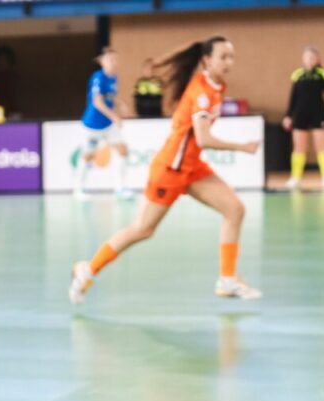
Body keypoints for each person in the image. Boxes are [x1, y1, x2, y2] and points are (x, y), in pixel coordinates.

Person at [69, 36, 263, 304]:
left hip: (192, 167)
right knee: (142, 230)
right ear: (207, 60)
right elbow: (204, 139)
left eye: (231, 56)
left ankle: (227, 280)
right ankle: (87, 270)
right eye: (223, 57)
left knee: (235, 209)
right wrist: (243, 147)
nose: (229, 62)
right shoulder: (203, 94)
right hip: (170, 170)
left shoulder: (215, 86)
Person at [74, 47, 131, 200]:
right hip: (92, 125)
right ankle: (79, 189)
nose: (114, 63)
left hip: (108, 125)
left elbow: (110, 97)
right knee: (88, 155)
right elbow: (98, 102)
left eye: (115, 59)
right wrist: (115, 116)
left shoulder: (114, 78)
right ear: (102, 62)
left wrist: (121, 104)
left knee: (122, 150)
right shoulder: (97, 78)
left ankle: (120, 188)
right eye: (110, 59)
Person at [284, 46, 324, 190]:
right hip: (300, 114)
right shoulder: (297, 75)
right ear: (303, 59)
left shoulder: (323, 74)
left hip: (318, 113)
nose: (310, 60)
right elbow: (293, 98)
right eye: (307, 57)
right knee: (299, 147)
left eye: (312, 57)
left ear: (317, 59)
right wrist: (288, 116)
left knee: (322, 146)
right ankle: (295, 177)